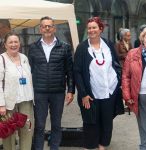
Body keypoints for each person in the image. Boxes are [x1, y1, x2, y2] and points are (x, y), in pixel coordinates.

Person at [74, 17, 124, 150]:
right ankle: (90, 146)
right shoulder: (82, 48)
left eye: (94, 27)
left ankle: (102, 146)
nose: (91, 30)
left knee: (107, 122)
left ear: (100, 29)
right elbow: (77, 72)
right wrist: (83, 94)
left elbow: (116, 64)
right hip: (91, 94)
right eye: (89, 28)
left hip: (110, 91)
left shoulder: (108, 44)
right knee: (91, 122)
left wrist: (119, 82)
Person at [28, 16, 75, 150]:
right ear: (40, 29)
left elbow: (69, 71)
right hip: (39, 92)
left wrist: (71, 90)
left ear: (54, 28)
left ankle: (54, 148)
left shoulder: (64, 47)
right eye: (44, 26)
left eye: (50, 26)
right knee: (40, 126)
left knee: (56, 124)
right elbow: (28, 70)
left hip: (58, 92)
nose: (47, 28)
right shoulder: (33, 47)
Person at [0, 32, 34, 150]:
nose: (13, 44)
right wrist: (1, 104)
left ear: (19, 43)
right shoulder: (1, 59)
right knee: (8, 132)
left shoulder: (24, 58)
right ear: (5, 44)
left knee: (27, 129)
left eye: (16, 42)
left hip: (26, 101)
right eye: (10, 42)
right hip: (9, 103)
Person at [122, 26, 146, 150]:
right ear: (142, 39)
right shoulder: (133, 53)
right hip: (141, 96)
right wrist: (127, 96)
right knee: (144, 126)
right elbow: (126, 76)